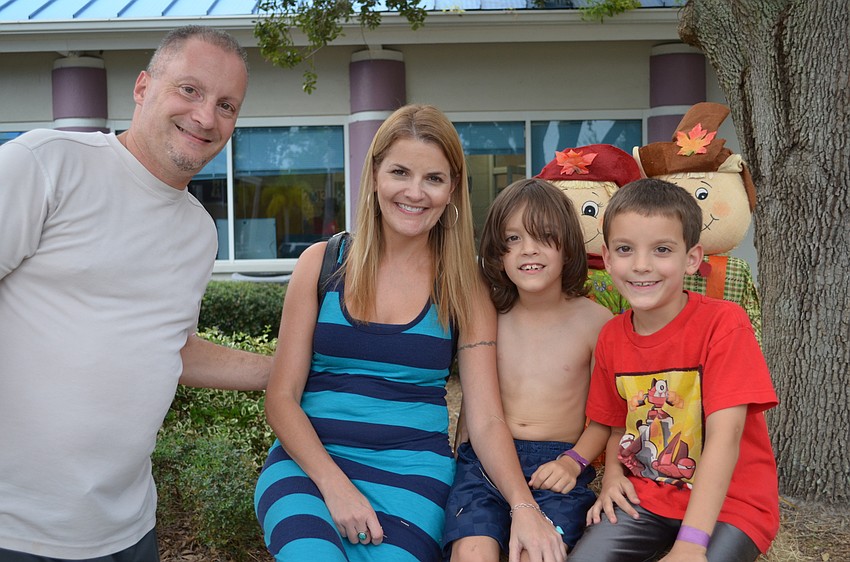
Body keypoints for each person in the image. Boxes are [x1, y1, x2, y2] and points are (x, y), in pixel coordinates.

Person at [0, 26, 271, 561]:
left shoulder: (199, 232)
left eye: (227, 105)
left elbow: (169, 346)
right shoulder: (47, 164)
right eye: (189, 90)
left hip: (127, 531)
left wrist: (285, 367)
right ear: (143, 87)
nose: (205, 117)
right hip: (13, 529)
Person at [254, 105, 566, 562]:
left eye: (433, 179)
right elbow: (281, 397)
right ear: (376, 174)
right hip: (309, 466)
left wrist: (524, 506)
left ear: (452, 189)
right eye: (400, 172)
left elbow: (484, 418)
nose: (414, 193)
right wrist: (336, 487)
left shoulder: (465, 285)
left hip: (413, 474)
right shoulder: (322, 263)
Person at [568, 178, 779, 562]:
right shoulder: (612, 336)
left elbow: (725, 438)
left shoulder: (724, 324)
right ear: (608, 257)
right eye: (626, 249)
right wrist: (613, 477)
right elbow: (618, 425)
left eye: (662, 249)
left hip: (733, 504)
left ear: (692, 259)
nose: (642, 265)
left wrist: (690, 544)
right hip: (649, 494)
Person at [442, 178, 613, 560]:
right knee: (472, 551)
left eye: (543, 236)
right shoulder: (489, 319)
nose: (528, 250)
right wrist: (459, 460)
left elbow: (608, 413)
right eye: (513, 239)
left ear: (568, 247)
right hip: (484, 463)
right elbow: (475, 401)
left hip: (556, 466)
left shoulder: (596, 322)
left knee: (537, 553)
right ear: (496, 252)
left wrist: (575, 461)